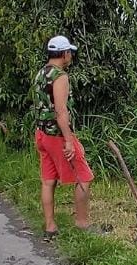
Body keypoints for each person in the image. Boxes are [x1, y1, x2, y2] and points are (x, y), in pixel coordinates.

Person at [33, 35, 95, 239]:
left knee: (48, 181)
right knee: (84, 176)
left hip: (41, 134)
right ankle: (82, 223)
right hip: (56, 137)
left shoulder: (41, 73)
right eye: (70, 52)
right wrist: (69, 140)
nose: (71, 56)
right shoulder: (60, 76)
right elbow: (61, 111)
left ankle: (50, 226)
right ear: (65, 54)